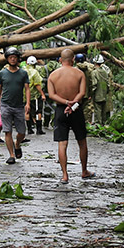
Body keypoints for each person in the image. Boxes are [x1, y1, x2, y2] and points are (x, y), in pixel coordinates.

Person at [47, 49, 95, 183]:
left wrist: (66, 103)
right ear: (73, 59)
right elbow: (82, 92)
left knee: (62, 144)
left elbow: (52, 95)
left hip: (61, 110)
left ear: (60, 60)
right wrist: (72, 103)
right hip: (76, 109)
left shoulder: (53, 75)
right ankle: (84, 171)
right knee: (82, 141)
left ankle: (64, 175)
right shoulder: (79, 74)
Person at [0, 46, 30, 164]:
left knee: (22, 132)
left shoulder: (23, 73)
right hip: (5, 105)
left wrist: (28, 103)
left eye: (14, 57)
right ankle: (11, 155)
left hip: (19, 106)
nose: (13, 59)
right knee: (7, 131)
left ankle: (17, 144)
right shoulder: (2, 73)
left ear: (18, 59)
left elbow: (27, 89)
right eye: (10, 57)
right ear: (7, 59)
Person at [23, 55, 45, 135]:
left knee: (27, 111)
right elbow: (37, 84)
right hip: (34, 95)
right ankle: (39, 130)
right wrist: (42, 94)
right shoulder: (34, 72)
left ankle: (29, 129)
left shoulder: (23, 70)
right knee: (38, 111)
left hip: (24, 95)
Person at [74, 52, 96, 124]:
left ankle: (75, 123)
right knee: (87, 110)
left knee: (75, 108)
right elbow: (91, 82)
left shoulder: (74, 70)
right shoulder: (89, 70)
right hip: (86, 93)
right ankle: (86, 123)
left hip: (76, 94)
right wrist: (91, 93)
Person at [91, 54, 113, 126]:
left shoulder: (94, 72)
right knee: (103, 111)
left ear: (95, 62)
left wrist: (91, 93)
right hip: (104, 94)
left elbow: (94, 84)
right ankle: (103, 124)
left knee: (97, 110)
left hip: (97, 94)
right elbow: (108, 84)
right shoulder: (105, 72)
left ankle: (98, 125)